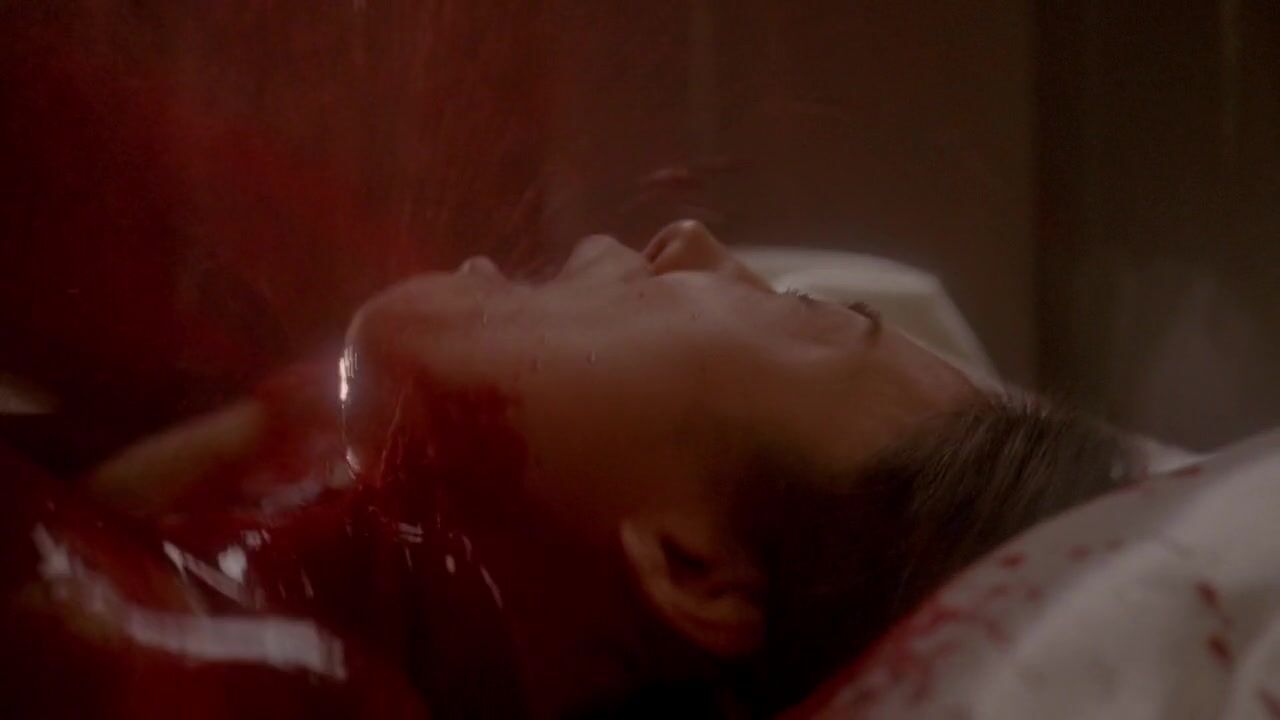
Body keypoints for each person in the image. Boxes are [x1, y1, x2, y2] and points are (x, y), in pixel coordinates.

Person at [11, 220, 1132, 718]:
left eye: (809, 315)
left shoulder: (224, 680)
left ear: (696, 569)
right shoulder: (282, 499)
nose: (687, 239)